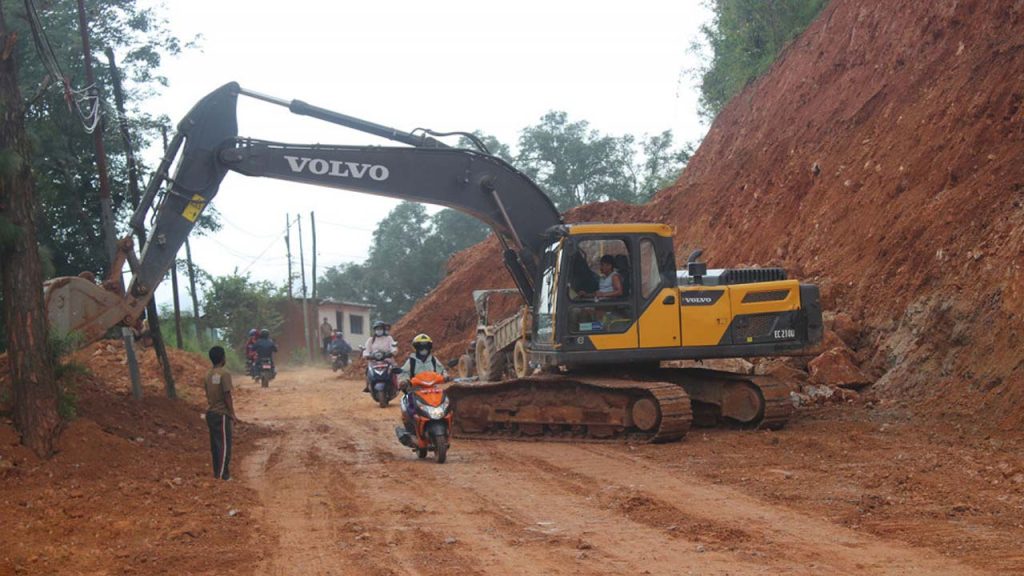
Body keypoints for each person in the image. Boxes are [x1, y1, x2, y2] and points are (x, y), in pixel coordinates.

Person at [398, 333, 449, 433]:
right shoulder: (411, 361)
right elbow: (404, 373)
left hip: (433, 390)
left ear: (429, 347)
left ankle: (446, 423)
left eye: (426, 346)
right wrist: (403, 381)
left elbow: (442, 370)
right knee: (411, 409)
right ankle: (411, 428)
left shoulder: (433, 360)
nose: (423, 349)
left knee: (445, 404)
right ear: (416, 348)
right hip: (416, 390)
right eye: (421, 347)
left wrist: (446, 376)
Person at [204, 346, 237, 481]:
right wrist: (232, 413)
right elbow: (227, 395)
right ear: (223, 358)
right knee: (224, 446)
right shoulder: (224, 374)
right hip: (222, 414)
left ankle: (217, 473)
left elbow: (207, 393)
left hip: (211, 413)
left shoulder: (208, 375)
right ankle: (223, 475)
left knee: (215, 446)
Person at [362, 321, 398, 391]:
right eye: (377, 329)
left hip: (387, 360)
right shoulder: (370, 340)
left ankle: (396, 385)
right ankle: (368, 385)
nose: (379, 330)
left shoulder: (389, 338)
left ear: (383, 329)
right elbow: (366, 349)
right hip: (374, 361)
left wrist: (393, 352)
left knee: (394, 370)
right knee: (367, 371)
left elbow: (393, 347)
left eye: (380, 329)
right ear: (375, 330)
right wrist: (366, 355)